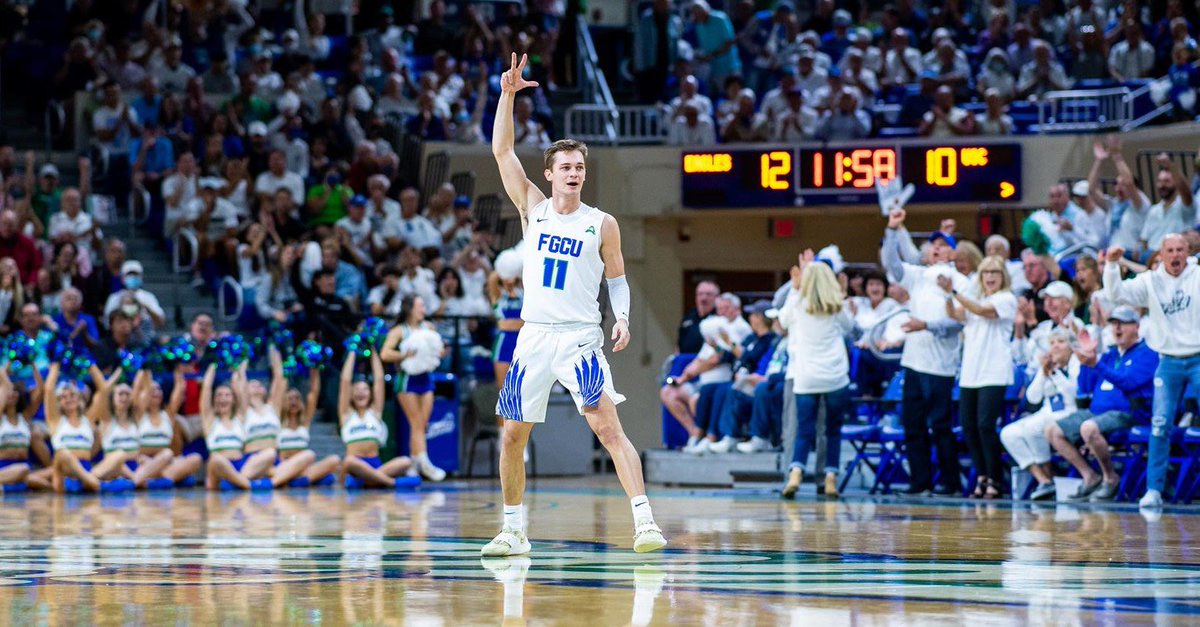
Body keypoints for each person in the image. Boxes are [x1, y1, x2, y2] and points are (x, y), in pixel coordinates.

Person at [485, 53, 665, 556]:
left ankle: (645, 523)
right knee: (511, 437)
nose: (573, 173)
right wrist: (507, 96)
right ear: (548, 173)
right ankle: (513, 529)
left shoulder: (602, 222)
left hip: (581, 338)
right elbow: (502, 152)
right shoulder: (533, 209)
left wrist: (624, 318)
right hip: (535, 336)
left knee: (608, 427)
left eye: (580, 167)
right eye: (565, 166)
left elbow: (619, 279)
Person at [1103, 235, 1200, 508]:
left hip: (1198, 358)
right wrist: (1111, 265)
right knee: (1159, 425)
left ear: (1188, 252)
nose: (1175, 254)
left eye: (1180, 249)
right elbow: (1116, 294)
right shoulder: (1151, 280)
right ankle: (1154, 490)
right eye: (1169, 250)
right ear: (1162, 253)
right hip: (1167, 361)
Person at [881, 208, 970, 496]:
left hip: (941, 366)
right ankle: (920, 482)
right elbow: (892, 264)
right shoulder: (919, 275)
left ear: (953, 253)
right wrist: (892, 230)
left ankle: (951, 483)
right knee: (913, 425)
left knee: (941, 428)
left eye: (944, 244)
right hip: (914, 363)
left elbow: (958, 323)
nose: (937, 248)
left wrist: (926, 325)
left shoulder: (960, 282)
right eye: (934, 244)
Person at [1047, 306, 1157, 501]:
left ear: (1137, 327)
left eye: (1123, 323)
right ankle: (1089, 476)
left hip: (1129, 413)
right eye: (1114, 323)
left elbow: (1128, 382)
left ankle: (1110, 477)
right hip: (1097, 411)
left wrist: (1097, 364)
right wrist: (1086, 360)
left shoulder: (1147, 354)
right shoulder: (1110, 354)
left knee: (1089, 428)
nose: (1117, 328)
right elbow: (1086, 385)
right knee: (1052, 431)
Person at [777, 252, 855, 499]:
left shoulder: (799, 303)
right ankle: (830, 478)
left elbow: (782, 320)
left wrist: (796, 287)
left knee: (804, 430)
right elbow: (851, 327)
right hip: (834, 376)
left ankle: (795, 473)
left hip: (806, 376)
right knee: (832, 430)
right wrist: (841, 294)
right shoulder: (836, 306)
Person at [939, 256, 1016, 498]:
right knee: (970, 427)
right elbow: (954, 314)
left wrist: (954, 290)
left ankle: (995, 478)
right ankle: (981, 476)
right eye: (986, 272)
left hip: (994, 371)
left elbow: (982, 311)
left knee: (985, 425)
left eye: (995, 272)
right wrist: (946, 295)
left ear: (1003, 276)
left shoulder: (1006, 299)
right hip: (971, 372)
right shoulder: (976, 300)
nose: (991, 277)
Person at [1000, 328, 1081, 500]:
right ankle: (1043, 479)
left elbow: (1072, 395)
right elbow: (1033, 398)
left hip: (1070, 412)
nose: (1056, 346)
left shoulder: (1077, 363)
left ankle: (1049, 477)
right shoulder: (1047, 366)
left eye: (1060, 341)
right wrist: (1043, 373)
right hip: (1048, 412)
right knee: (1008, 433)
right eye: (1052, 343)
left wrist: (1055, 374)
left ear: (1072, 346)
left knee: (1033, 428)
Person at [381, 296, 448, 482]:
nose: (424, 308)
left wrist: (440, 352)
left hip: (426, 378)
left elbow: (438, 349)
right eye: (420, 305)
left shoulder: (429, 328)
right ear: (410, 308)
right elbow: (385, 353)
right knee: (416, 422)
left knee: (421, 424)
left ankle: (413, 465)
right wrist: (404, 355)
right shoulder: (399, 330)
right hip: (407, 380)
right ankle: (425, 463)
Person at [338, 351, 417, 488]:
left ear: (370, 394)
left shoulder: (375, 413)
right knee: (349, 461)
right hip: (356, 466)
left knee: (405, 461)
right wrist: (352, 351)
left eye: (365, 389)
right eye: (357, 389)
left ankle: (366, 481)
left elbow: (379, 379)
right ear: (351, 395)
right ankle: (390, 483)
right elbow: (345, 382)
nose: (361, 392)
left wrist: (373, 349)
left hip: (375, 463)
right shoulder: (347, 415)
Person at [199, 363, 274, 491]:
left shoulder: (240, 418)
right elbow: (205, 390)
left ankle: (238, 481)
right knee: (215, 459)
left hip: (241, 465)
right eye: (219, 395)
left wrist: (240, 370)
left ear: (234, 400)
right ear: (214, 400)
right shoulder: (210, 420)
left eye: (227, 395)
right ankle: (247, 485)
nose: (223, 398)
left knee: (270, 453)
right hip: (219, 468)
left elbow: (243, 394)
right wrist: (213, 365)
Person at [133, 367, 202, 487]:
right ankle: (160, 479)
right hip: (144, 461)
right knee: (166, 454)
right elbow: (136, 393)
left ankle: (154, 480)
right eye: (151, 390)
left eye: (158, 389)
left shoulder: (167, 415)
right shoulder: (139, 415)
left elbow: (180, 389)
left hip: (167, 462)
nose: (155, 392)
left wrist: (179, 372)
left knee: (196, 459)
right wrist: (144, 376)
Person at [277, 367, 339, 487]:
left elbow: (314, 394)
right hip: (285, 467)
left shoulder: (304, 423)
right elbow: (278, 390)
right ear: (284, 402)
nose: (293, 401)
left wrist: (314, 368)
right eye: (290, 399)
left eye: (297, 398)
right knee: (326, 477)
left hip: (304, 468)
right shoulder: (279, 423)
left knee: (334, 460)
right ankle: (303, 480)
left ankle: (295, 480)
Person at [488, 247, 524, 389]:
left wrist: (518, 271)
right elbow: (503, 325)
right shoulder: (497, 295)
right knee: (503, 393)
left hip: (522, 343)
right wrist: (507, 269)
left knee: (520, 393)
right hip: (504, 345)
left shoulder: (523, 291)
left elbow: (521, 323)